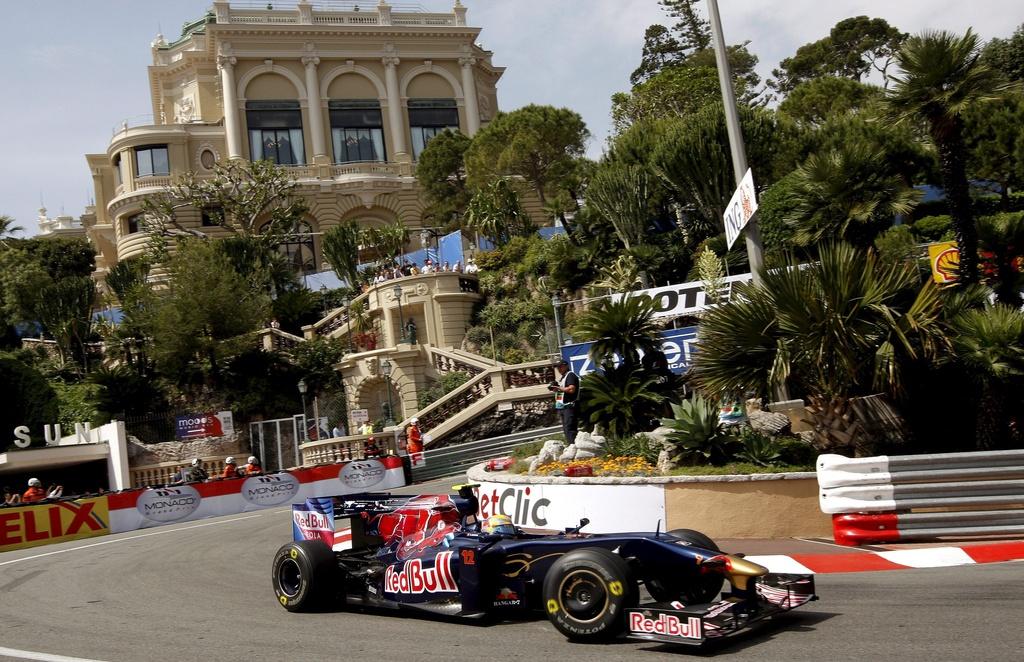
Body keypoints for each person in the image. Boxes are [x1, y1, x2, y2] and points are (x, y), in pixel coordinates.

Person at [550, 358, 580, 446]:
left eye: (560, 367)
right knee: (566, 428)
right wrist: (556, 389)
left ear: (566, 366)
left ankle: (573, 446)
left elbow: (571, 389)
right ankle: (571, 445)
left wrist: (559, 388)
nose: (559, 369)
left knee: (570, 428)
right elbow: (563, 392)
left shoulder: (570, 375)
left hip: (569, 407)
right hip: (562, 407)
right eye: (557, 367)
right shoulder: (563, 377)